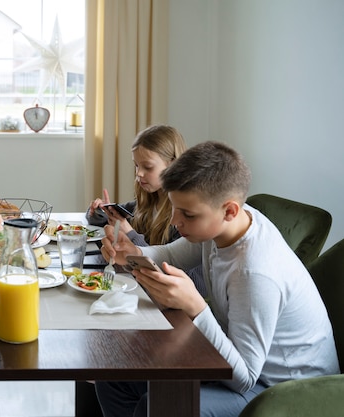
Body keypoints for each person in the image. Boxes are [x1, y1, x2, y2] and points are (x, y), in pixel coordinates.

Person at [96, 141, 339, 417]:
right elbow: (171, 255)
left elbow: (244, 377)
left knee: (158, 406)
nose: (175, 221)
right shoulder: (229, 226)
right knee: (114, 378)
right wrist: (133, 253)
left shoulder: (255, 272)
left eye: (188, 214)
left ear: (229, 211)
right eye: (175, 207)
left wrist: (196, 307)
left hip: (285, 391)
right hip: (244, 365)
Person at [86, 124, 205, 296]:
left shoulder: (185, 216)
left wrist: (130, 233)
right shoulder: (148, 202)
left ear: (173, 165)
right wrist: (100, 212)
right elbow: (111, 217)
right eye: (136, 166)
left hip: (174, 306)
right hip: (144, 290)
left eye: (148, 167)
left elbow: (187, 280)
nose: (139, 173)